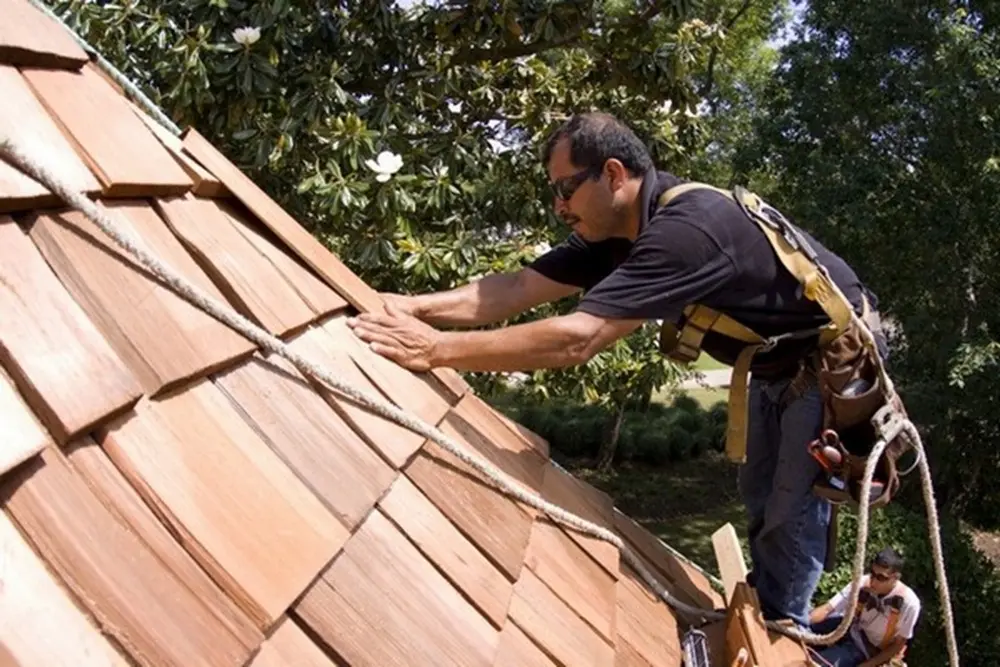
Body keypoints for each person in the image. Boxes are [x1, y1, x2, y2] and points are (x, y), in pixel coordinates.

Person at [347, 111, 885, 626]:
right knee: (761, 496)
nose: (559, 206)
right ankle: (767, 612)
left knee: (790, 512)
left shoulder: (687, 233)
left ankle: (783, 632)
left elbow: (578, 339)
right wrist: (412, 307)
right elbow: (517, 287)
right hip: (776, 362)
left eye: (565, 188)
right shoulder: (615, 231)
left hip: (831, 359)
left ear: (612, 174)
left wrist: (436, 349)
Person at [808, 547, 921, 667]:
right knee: (805, 624)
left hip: (865, 648)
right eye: (872, 574)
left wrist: (866, 665)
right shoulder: (863, 583)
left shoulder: (909, 604)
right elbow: (827, 609)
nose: (873, 581)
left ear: (895, 578)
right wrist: (801, 623)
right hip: (849, 627)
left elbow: (898, 644)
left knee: (819, 662)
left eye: (881, 578)